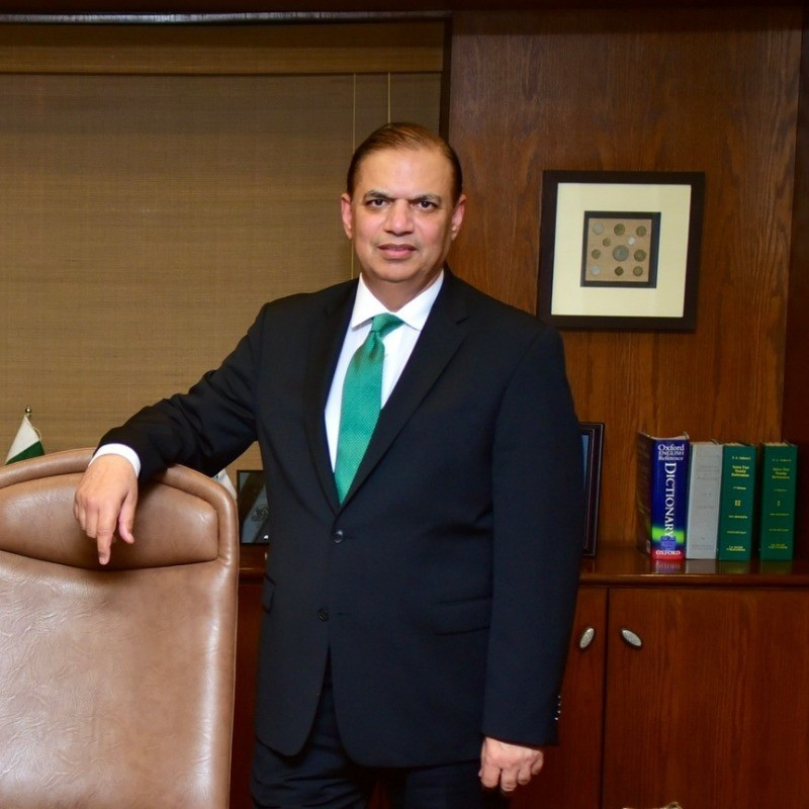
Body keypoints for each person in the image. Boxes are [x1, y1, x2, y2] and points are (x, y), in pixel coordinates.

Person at [74, 122, 584, 809]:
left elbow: (539, 554)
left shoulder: (516, 350)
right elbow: (196, 422)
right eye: (378, 202)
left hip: (447, 714)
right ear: (348, 213)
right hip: (300, 708)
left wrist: (518, 718)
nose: (398, 224)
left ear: (456, 217)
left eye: (424, 204)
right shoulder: (285, 331)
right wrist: (120, 455)